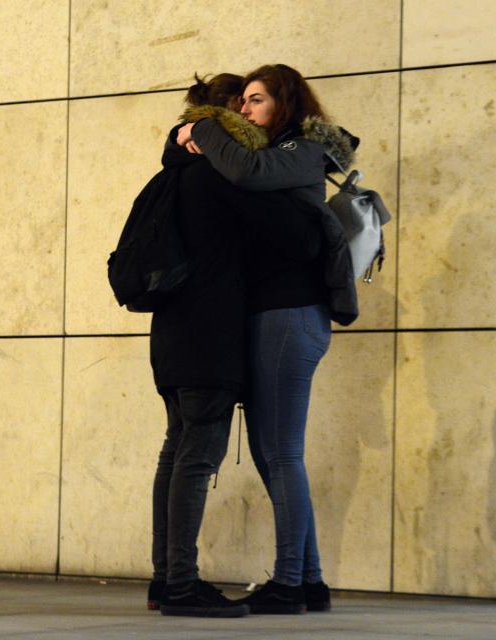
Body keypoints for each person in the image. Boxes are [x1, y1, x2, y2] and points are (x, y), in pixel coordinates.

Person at [176, 63, 359, 614]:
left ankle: (289, 583)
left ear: (285, 102)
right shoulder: (276, 150)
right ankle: (310, 581)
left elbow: (248, 172)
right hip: (273, 315)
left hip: (291, 314)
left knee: (280, 453)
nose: (245, 109)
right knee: (271, 451)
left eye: (255, 100)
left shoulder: (302, 150)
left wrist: (204, 127)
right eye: (241, 102)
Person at [146, 73, 292, 618]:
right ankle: (183, 584)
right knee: (196, 456)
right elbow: (289, 233)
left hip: (171, 332)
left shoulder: (172, 172)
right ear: (231, 109)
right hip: (210, 334)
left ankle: (164, 580)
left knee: (175, 450)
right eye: (245, 104)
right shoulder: (217, 177)